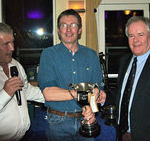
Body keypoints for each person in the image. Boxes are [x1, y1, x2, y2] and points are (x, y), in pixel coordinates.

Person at [37, 9, 106, 141]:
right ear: (58, 30)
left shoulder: (91, 55)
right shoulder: (48, 54)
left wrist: (92, 108)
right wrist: (81, 93)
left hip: (86, 119)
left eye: (73, 25)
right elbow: (49, 94)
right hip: (58, 121)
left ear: (79, 30)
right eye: (64, 25)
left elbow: (97, 90)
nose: (68, 30)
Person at [0, 22, 45, 141]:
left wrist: (54, 96)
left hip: (23, 137)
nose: (12, 48)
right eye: (6, 44)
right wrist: (5, 93)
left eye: (12, 42)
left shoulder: (15, 65)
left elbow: (26, 91)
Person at [116, 16, 150, 141]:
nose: (135, 40)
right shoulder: (125, 61)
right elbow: (122, 94)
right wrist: (104, 97)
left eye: (140, 34)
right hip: (122, 134)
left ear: (149, 36)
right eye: (131, 36)